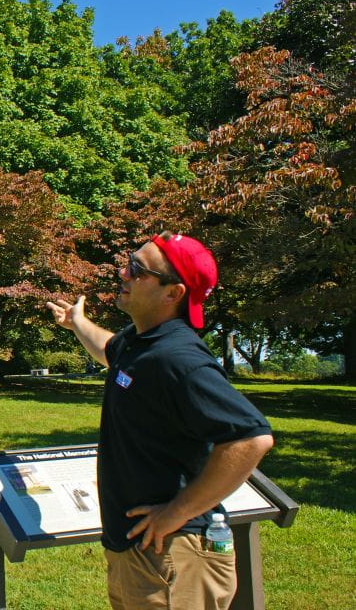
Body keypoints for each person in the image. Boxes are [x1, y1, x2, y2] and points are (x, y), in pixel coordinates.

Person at [47, 232, 273, 610]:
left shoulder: (177, 358)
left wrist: (177, 512)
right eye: (128, 263)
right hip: (142, 554)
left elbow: (251, 438)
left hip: (173, 555)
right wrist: (77, 323)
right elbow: (109, 351)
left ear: (174, 293)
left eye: (137, 270)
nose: (123, 273)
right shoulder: (141, 344)